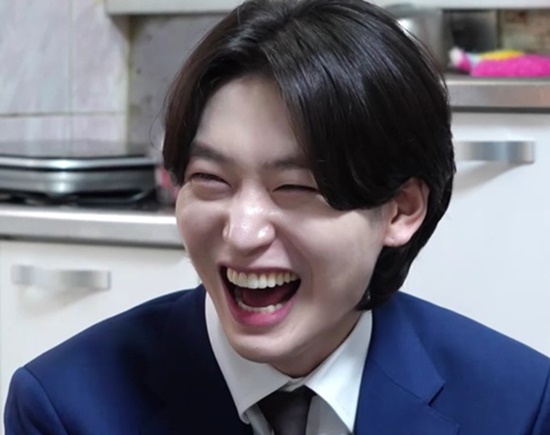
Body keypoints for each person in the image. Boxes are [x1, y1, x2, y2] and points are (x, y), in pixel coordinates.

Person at [4, 0, 550, 433]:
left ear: (400, 209)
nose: (242, 233)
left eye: (296, 188)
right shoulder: (65, 407)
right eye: (210, 180)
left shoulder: (519, 406)